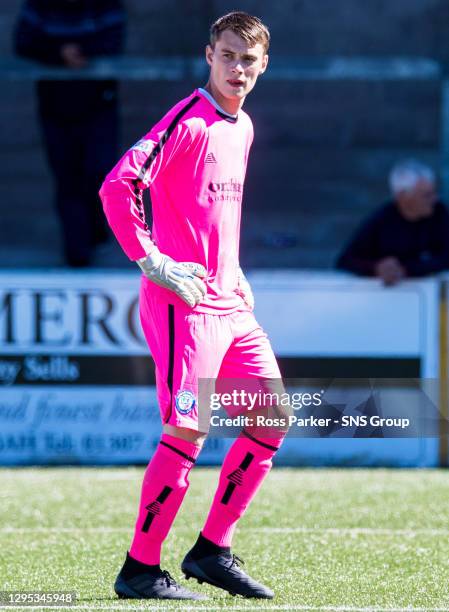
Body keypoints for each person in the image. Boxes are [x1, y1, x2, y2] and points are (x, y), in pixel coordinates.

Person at [100, 11, 288, 601]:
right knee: (189, 429)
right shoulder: (188, 120)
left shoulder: (244, 126)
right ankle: (139, 568)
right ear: (208, 55)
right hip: (185, 302)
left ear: (263, 66)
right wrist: (153, 262)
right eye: (228, 55)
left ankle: (211, 550)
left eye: (248, 60)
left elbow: (215, 215)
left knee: (269, 420)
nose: (238, 68)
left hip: (232, 302)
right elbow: (116, 185)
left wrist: (236, 274)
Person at [14, 0, 125, 267]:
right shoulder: (39, 7)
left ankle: (96, 235)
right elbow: (22, 41)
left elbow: (115, 38)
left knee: (98, 173)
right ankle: (77, 255)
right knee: (68, 179)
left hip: (98, 103)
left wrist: (80, 52)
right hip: (55, 106)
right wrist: (59, 53)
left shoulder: (103, 7)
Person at [336, 160, 449, 285]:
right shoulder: (382, 221)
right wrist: (377, 268)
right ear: (403, 196)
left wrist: (406, 269)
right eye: (426, 195)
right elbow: (346, 260)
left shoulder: (440, 214)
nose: (434, 199)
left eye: (434, 192)